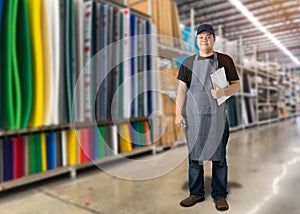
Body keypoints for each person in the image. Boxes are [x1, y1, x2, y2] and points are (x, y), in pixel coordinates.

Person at [175, 24, 240, 211]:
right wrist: (178, 112)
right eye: (201, 36)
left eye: (208, 36)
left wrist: (224, 92)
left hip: (218, 117)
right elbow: (181, 89)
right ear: (196, 40)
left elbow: (236, 85)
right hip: (195, 118)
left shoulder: (225, 60)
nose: (204, 39)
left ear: (214, 39)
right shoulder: (187, 63)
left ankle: (220, 195)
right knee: (195, 158)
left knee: (219, 158)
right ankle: (196, 193)